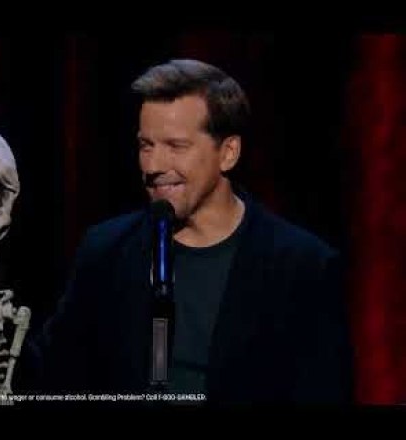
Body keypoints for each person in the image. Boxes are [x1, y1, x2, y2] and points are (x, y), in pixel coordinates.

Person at [29, 59, 354, 404]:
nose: (153, 166)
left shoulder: (303, 267)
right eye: (146, 145)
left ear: (228, 153)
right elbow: (51, 373)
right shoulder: (106, 250)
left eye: (176, 146)